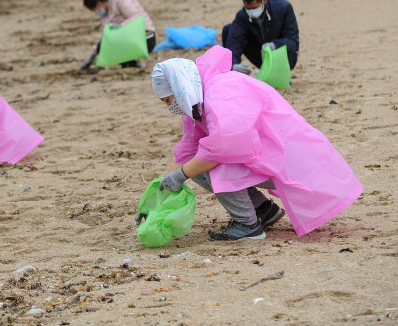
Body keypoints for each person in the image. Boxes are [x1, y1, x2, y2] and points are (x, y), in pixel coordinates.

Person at [146, 46, 362, 240]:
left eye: (168, 100)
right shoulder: (195, 99)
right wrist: (157, 197)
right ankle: (262, 210)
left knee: (211, 163)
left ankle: (248, 225)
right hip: (266, 155)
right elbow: (186, 151)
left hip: (289, 159)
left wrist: (181, 175)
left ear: (178, 88)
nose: (169, 107)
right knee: (197, 165)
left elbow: (224, 146)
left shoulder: (220, 92)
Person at [221, 0, 298, 75]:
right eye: (248, 8)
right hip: (260, 56)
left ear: (264, 1)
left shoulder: (283, 8)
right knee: (229, 29)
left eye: (254, 8)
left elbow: (293, 41)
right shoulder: (242, 16)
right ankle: (230, 75)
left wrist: (274, 45)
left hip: (284, 57)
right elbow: (234, 42)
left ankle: (279, 74)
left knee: (287, 47)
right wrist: (233, 65)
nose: (252, 11)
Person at [81, 0, 156, 69]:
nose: (95, 12)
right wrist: (93, 55)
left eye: (93, 10)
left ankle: (132, 60)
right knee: (101, 46)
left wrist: (121, 26)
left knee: (112, 40)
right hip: (128, 37)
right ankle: (129, 62)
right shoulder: (105, 13)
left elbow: (138, 16)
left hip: (145, 37)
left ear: (99, 4)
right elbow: (104, 34)